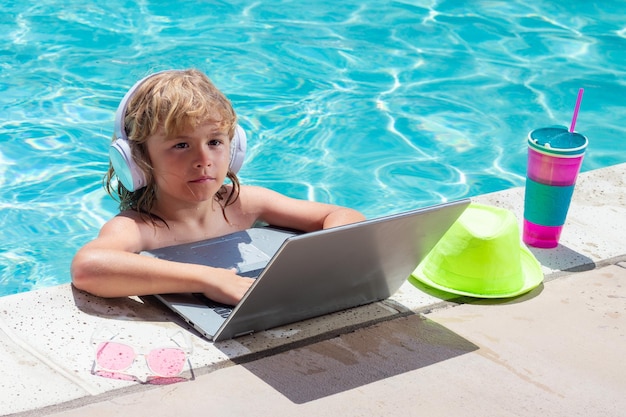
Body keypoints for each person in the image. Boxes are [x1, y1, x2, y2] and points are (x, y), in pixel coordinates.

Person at [71, 69, 365, 306]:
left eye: (214, 142)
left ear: (234, 146)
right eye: (181, 145)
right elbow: (88, 267)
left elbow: (344, 215)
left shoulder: (244, 203)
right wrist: (209, 279)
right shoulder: (141, 227)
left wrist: (319, 262)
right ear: (137, 160)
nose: (203, 160)